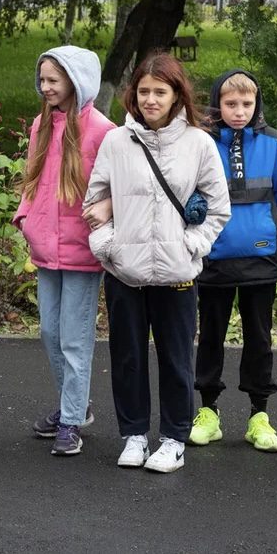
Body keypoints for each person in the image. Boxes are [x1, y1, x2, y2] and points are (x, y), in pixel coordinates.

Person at [82, 52, 230, 474]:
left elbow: (218, 208)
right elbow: (94, 203)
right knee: (127, 357)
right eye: (144, 91)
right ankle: (133, 435)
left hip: (177, 275)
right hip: (125, 272)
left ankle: (172, 439)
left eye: (159, 92)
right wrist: (109, 247)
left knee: (176, 359)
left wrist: (191, 245)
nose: (150, 99)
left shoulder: (199, 143)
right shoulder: (116, 141)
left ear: (176, 95)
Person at [13, 46, 115, 456]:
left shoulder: (103, 131)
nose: (46, 86)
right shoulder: (42, 123)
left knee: (75, 339)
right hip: (45, 247)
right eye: (43, 79)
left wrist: (106, 218)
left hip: (81, 251)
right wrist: (25, 218)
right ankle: (76, 405)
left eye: (54, 79)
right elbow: (32, 177)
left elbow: (113, 188)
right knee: (49, 332)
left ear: (77, 80)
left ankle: (71, 419)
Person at [190, 70, 277, 453]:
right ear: (218, 103)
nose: (239, 112)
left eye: (246, 104)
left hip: (260, 258)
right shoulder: (201, 141)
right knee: (211, 335)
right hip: (214, 256)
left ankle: (259, 415)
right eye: (231, 104)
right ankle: (208, 412)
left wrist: (266, 226)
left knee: (260, 337)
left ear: (257, 104)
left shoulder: (274, 142)